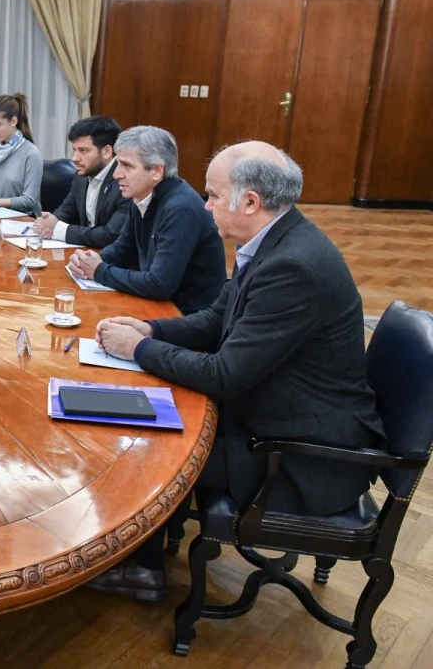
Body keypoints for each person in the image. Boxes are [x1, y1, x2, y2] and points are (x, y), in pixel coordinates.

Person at [89, 142, 386, 602]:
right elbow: (216, 319)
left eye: (211, 195)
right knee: (151, 417)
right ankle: (140, 555)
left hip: (301, 454)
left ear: (249, 202)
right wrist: (151, 328)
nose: (203, 204)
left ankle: (140, 571)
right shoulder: (275, 240)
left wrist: (141, 349)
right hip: (279, 411)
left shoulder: (294, 266)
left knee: (146, 446)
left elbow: (225, 375)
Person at [67, 126, 225, 316]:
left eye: (127, 166)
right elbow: (124, 248)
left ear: (157, 171)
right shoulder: (142, 195)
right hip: (157, 306)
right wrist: (91, 260)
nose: (117, 174)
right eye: (118, 164)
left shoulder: (181, 208)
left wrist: (99, 270)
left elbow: (159, 284)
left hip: (185, 317)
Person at [32, 116, 128, 247]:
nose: (75, 158)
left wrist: (58, 229)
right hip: (84, 251)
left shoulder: (124, 182)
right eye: (74, 150)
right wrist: (50, 221)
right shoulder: (81, 175)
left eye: (83, 150)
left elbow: (109, 235)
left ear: (106, 152)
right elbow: (67, 209)